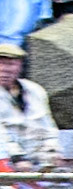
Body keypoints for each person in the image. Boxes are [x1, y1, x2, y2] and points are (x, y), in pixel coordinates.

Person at [0, 40, 57, 170]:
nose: (5, 70)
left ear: (20, 66)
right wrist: (17, 157)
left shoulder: (34, 90)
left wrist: (51, 151)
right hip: (6, 157)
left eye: (11, 64)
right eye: (1, 64)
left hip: (35, 156)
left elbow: (47, 125)